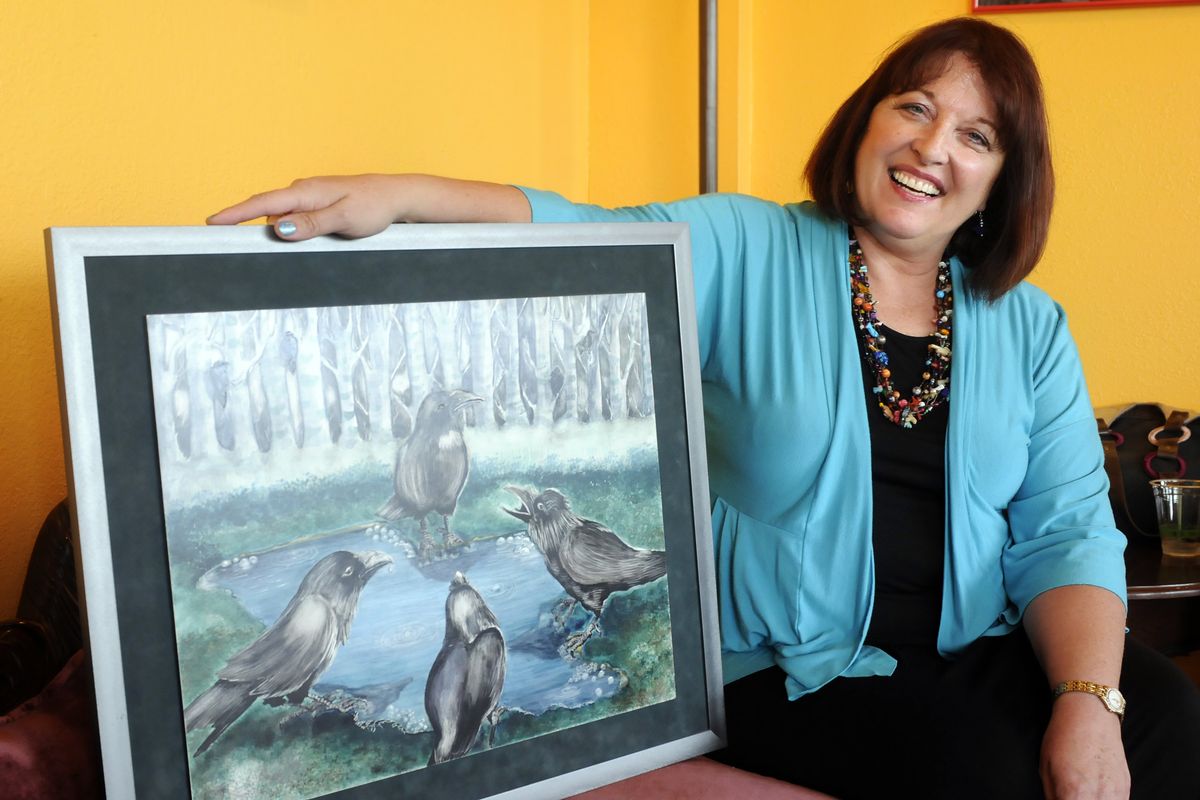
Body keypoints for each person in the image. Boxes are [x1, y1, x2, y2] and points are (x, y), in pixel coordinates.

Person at [209, 17, 1200, 799]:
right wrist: (396, 195)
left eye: (975, 134)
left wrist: (1086, 697)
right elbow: (586, 239)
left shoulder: (1027, 325)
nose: (931, 146)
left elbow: (1067, 530)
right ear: (866, 120)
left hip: (962, 645)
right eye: (913, 107)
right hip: (780, 664)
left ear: (998, 178)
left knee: (1161, 710)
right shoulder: (743, 244)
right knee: (978, 770)